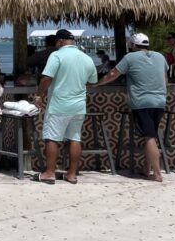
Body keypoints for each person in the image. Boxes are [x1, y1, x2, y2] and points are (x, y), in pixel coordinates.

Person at [92, 33, 167, 181]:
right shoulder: (160, 56)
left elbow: (113, 73)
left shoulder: (130, 58)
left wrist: (97, 83)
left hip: (141, 103)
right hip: (160, 102)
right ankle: (147, 169)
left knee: (149, 137)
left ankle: (157, 173)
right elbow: (164, 78)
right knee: (150, 134)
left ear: (132, 45)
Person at [33, 29, 98, 184]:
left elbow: (46, 78)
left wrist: (39, 95)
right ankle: (71, 174)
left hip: (59, 105)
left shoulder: (56, 55)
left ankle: (49, 173)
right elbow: (93, 81)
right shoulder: (86, 58)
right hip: (79, 106)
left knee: (52, 138)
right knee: (75, 138)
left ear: (60, 41)